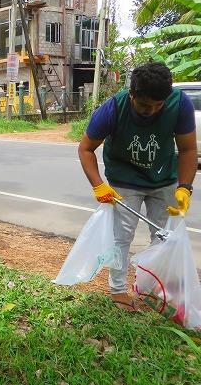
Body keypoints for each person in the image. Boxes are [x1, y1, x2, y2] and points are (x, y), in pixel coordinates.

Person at [78, 62, 197, 312]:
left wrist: (185, 187)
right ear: (132, 94)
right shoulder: (113, 108)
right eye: (145, 105)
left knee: (165, 237)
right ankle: (118, 290)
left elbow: (187, 150)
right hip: (124, 181)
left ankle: (155, 287)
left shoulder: (179, 104)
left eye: (158, 105)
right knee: (121, 237)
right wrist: (99, 185)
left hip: (164, 180)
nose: (152, 111)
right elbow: (86, 149)